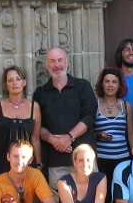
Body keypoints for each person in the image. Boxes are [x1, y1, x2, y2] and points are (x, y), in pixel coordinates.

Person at [35, 46, 98, 188]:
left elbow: (89, 116)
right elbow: (38, 126)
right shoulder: (40, 93)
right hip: (56, 162)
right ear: (46, 65)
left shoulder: (82, 86)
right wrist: (53, 140)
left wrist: (69, 137)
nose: (56, 65)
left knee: (89, 202)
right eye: (52, 61)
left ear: (67, 62)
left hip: (85, 160)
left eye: (60, 60)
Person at [0, 65, 41, 185]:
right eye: (10, 80)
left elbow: (35, 139)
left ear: (24, 82)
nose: (15, 83)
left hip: (25, 169)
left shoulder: (34, 107)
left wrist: (39, 165)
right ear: (5, 84)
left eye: (18, 79)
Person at [94, 67, 133, 203]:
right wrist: (99, 135)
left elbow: (130, 134)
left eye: (114, 82)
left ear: (119, 85)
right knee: (102, 196)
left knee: (121, 195)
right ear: (102, 84)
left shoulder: (126, 106)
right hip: (102, 160)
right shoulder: (95, 105)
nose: (110, 85)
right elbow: (90, 132)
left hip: (123, 159)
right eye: (107, 81)